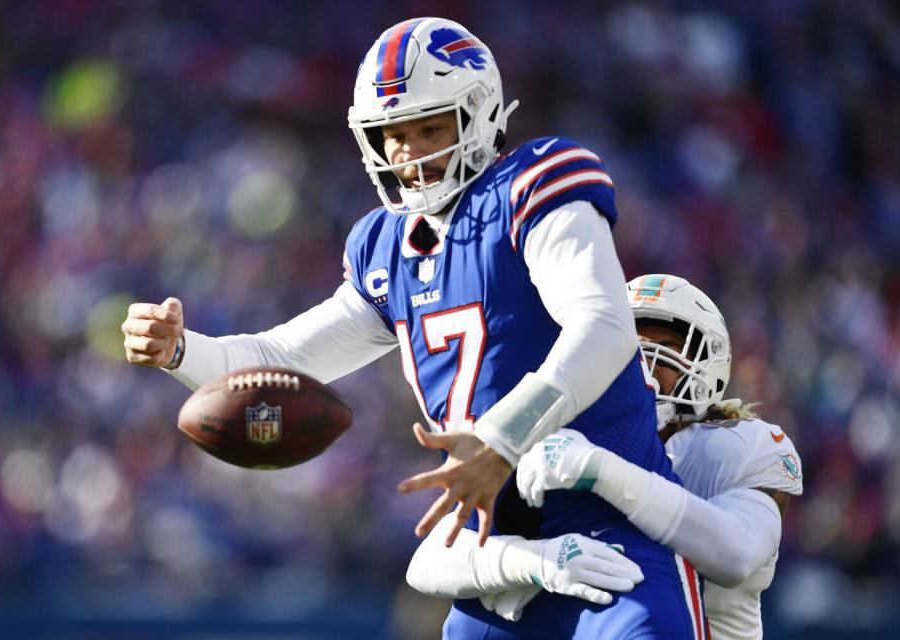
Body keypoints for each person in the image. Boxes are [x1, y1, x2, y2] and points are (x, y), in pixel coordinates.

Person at [123, 18, 703, 637]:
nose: (409, 151)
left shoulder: (532, 186)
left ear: (478, 118)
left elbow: (605, 325)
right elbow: (283, 359)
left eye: (430, 127)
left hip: (615, 532)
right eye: (393, 134)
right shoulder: (387, 250)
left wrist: (501, 440)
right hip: (499, 560)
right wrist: (181, 350)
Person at [407, 274, 804, 640]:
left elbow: (736, 555)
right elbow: (427, 563)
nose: (641, 365)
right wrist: (533, 562)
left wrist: (599, 470)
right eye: (629, 347)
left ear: (707, 366)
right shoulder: (559, 431)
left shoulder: (733, 445)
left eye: (663, 349)